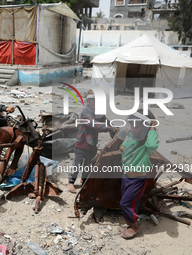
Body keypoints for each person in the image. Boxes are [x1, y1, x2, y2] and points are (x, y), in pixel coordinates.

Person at [118, 111, 158, 239]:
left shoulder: (146, 143)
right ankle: (130, 224)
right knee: (130, 202)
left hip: (138, 179)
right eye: (132, 125)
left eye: (137, 126)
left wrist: (152, 127)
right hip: (126, 176)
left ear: (145, 128)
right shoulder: (131, 136)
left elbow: (152, 145)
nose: (133, 129)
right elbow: (123, 145)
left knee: (125, 203)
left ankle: (135, 226)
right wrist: (125, 147)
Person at [68, 90, 115, 193]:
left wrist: (113, 127)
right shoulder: (85, 113)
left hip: (92, 144)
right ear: (89, 101)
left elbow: (105, 120)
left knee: (89, 164)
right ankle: (71, 182)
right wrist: (109, 128)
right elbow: (93, 124)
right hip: (82, 143)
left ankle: (84, 180)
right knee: (77, 164)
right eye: (94, 100)